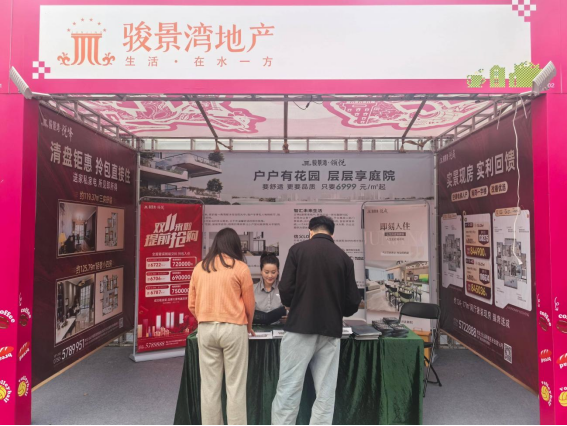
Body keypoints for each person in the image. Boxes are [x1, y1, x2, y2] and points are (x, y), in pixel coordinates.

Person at [272, 216, 361, 426]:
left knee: (289, 387)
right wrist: (336, 309)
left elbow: (285, 290)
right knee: (325, 392)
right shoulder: (344, 258)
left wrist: (295, 304)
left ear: (310, 231)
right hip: (330, 330)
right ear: (332, 233)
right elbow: (352, 302)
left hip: (299, 328)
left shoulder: (297, 250)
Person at [188, 228, 256, 426]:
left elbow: (191, 304)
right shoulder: (240, 268)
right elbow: (249, 305)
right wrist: (249, 326)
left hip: (206, 329)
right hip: (234, 329)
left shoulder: (199, 267)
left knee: (209, 388)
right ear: (235, 245)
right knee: (235, 387)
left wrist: (204, 318)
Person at [253, 252, 287, 325]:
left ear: (278, 271)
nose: (270, 276)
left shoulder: (284, 289)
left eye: (273, 272)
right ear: (261, 271)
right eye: (266, 272)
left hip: (280, 329)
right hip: (258, 330)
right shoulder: (252, 290)